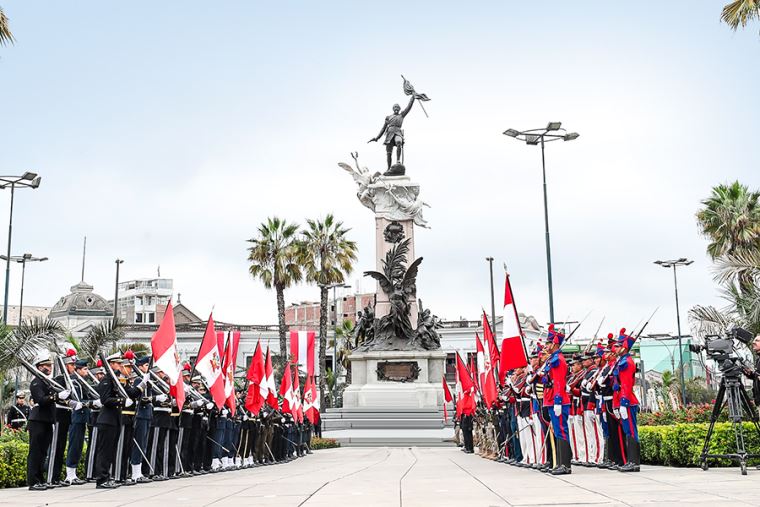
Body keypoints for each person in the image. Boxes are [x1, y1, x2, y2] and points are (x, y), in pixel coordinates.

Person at [27, 353, 66, 491]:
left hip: (47, 420)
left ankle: (40, 479)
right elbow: (40, 400)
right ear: (39, 367)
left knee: (43, 452)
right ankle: (33, 481)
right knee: (36, 452)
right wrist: (56, 396)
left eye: (50, 365)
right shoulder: (36, 382)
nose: (49, 368)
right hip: (37, 421)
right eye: (46, 366)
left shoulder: (47, 382)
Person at [93, 352, 128, 489]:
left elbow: (128, 392)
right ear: (111, 364)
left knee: (111, 451)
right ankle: (101, 479)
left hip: (115, 420)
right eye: (118, 363)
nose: (120, 366)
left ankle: (107, 476)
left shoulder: (117, 380)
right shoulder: (106, 380)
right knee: (104, 451)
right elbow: (105, 400)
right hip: (107, 420)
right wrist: (122, 400)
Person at [49, 349, 79, 487]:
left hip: (67, 415)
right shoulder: (59, 380)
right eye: (72, 365)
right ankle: (51, 477)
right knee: (56, 448)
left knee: (61, 448)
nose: (74, 367)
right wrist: (72, 402)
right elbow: (58, 398)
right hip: (59, 415)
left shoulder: (70, 380)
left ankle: (56, 477)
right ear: (66, 365)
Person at [546, 324, 572, 475]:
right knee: (558, 431)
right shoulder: (553, 359)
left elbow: (558, 382)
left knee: (561, 431)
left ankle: (565, 464)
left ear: (555, 343)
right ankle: (561, 463)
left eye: (548, 343)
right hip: (555, 399)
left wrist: (557, 401)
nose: (546, 346)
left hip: (559, 400)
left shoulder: (558, 360)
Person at [614, 328, 640, 472]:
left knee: (631, 431)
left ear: (624, 347)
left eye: (617, 346)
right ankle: (630, 461)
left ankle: (634, 463)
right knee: (627, 430)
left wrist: (623, 403)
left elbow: (626, 385)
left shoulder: (627, 362)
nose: (614, 348)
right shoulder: (622, 361)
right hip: (623, 400)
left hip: (628, 401)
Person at [64, 359, 94, 485]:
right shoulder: (72, 381)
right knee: (74, 445)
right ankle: (70, 475)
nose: (87, 371)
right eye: (85, 369)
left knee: (79, 445)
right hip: (76, 417)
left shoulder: (83, 382)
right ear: (78, 370)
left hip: (83, 417)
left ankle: (73, 473)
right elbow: (73, 399)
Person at [368, 95, 416, 171]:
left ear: (399, 109)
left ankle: (398, 161)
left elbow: (408, 107)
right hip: (389, 134)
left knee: (399, 142)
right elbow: (383, 128)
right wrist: (377, 137)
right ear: (393, 109)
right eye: (395, 107)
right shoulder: (388, 117)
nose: (396, 109)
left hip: (398, 132)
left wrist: (412, 98)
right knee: (389, 152)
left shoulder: (401, 115)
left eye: (397, 107)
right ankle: (388, 168)